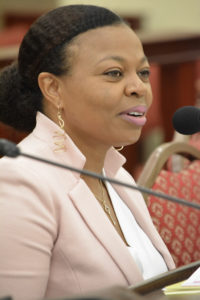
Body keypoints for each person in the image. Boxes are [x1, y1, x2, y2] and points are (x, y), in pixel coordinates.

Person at [0, 4, 175, 300]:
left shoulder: (116, 174)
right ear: (53, 88)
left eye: (143, 72)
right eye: (114, 73)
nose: (138, 87)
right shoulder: (18, 183)